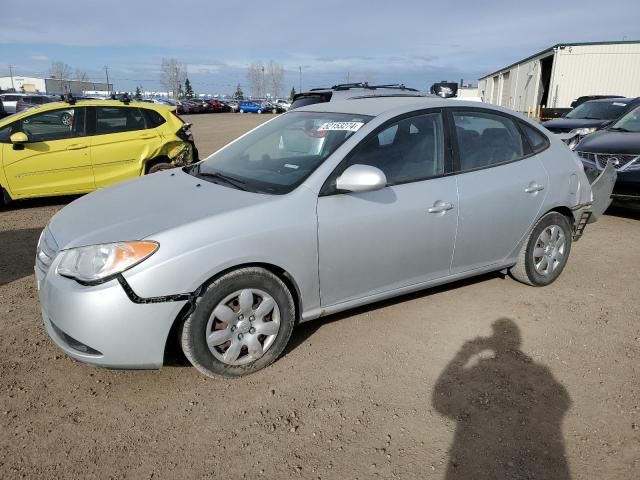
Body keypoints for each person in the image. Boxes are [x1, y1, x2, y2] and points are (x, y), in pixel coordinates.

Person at [432, 318, 572, 480]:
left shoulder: (482, 370)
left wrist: (466, 352)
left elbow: (440, 402)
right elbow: (562, 400)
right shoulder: (539, 371)